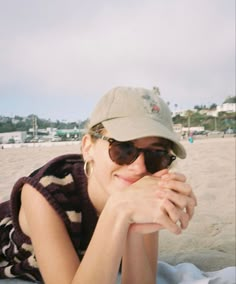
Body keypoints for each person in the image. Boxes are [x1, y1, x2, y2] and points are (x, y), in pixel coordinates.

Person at [0, 86, 197, 284]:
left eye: (156, 155)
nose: (139, 167)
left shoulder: (145, 192)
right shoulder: (44, 193)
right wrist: (117, 210)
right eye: (124, 149)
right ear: (88, 147)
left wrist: (131, 226)